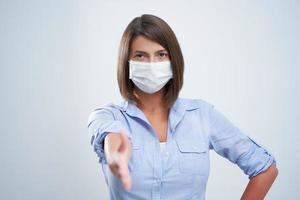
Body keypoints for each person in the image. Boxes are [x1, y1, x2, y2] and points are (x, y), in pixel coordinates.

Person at [87, 14, 278, 200]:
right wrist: (114, 157)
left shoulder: (202, 115)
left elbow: (264, 169)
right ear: (126, 63)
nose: (152, 64)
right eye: (140, 56)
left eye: (161, 54)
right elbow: (109, 134)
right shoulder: (108, 116)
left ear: (173, 60)